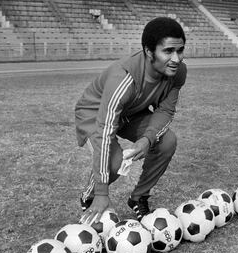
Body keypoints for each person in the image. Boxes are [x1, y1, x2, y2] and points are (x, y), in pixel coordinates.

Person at [75, 17, 187, 224]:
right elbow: (104, 131)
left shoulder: (178, 73)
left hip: (131, 112)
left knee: (166, 141)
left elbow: (165, 110)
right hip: (94, 113)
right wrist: (102, 192)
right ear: (149, 51)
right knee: (115, 162)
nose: (176, 58)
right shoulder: (123, 78)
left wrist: (147, 139)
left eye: (180, 50)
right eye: (168, 51)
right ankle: (90, 196)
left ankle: (139, 197)